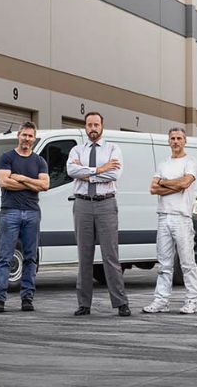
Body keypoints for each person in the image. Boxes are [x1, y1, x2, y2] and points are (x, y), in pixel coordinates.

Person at [66, 111, 130, 316]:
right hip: (82, 205)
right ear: (85, 127)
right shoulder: (77, 150)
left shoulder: (113, 149)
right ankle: (84, 304)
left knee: (110, 256)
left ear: (102, 126)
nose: (93, 128)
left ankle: (121, 303)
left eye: (96, 125)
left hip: (106, 205)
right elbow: (71, 171)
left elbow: (115, 173)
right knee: (84, 256)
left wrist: (87, 173)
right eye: (89, 125)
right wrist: (100, 169)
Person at [0, 121, 49, 313]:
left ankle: (27, 298)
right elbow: (4, 182)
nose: (27, 139)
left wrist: (21, 178)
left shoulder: (39, 161)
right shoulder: (6, 157)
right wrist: (33, 184)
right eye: (24, 135)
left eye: (30, 136)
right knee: (4, 257)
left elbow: (45, 185)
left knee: (31, 257)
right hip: (10, 212)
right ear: (18, 135)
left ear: (34, 138)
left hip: (32, 213)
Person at [143, 127, 197, 315]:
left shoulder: (190, 162)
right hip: (164, 216)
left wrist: (164, 182)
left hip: (182, 218)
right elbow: (152, 189)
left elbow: (185, 183)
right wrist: (174, 184)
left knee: (187, 262)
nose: (175, 141)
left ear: (185, 141)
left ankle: (192, 300)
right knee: (164, 263)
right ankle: (161, 300)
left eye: (179, 138)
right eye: (172, 138)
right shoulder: (163, 164)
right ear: (168, 141)